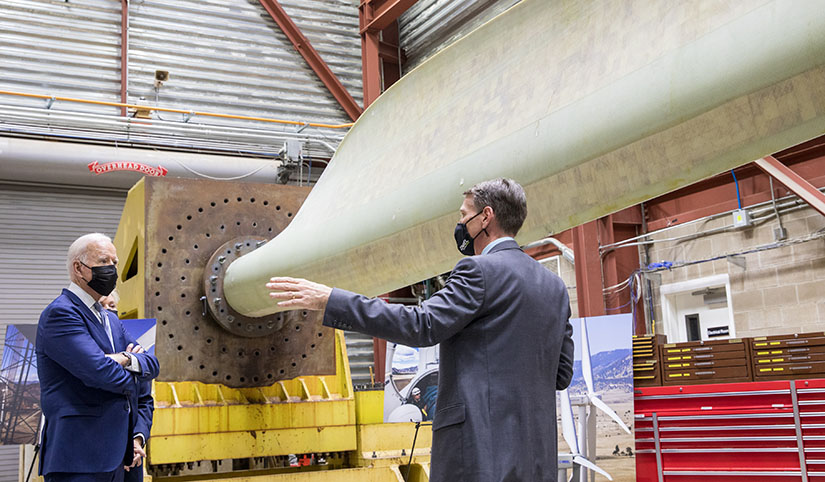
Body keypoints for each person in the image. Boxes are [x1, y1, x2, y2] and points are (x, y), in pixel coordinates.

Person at [267, 178, 575, 481]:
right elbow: (561, 374)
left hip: (479, 453)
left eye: (463, 216)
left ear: (486, 217)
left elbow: (421, 325)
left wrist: (331, 300)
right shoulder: (555, 287)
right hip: (536, 456)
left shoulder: (477, 271)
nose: (460, 225)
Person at [37, 233, 160, 482]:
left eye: (115, 263)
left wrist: (124, 359)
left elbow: (153, 365)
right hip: (82, 458)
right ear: (78, 268)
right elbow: (101, 373)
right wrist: (133, 368)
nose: (112, 270)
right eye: (104, 261)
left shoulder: (111, 320)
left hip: (125, 457)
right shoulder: (61, 314)